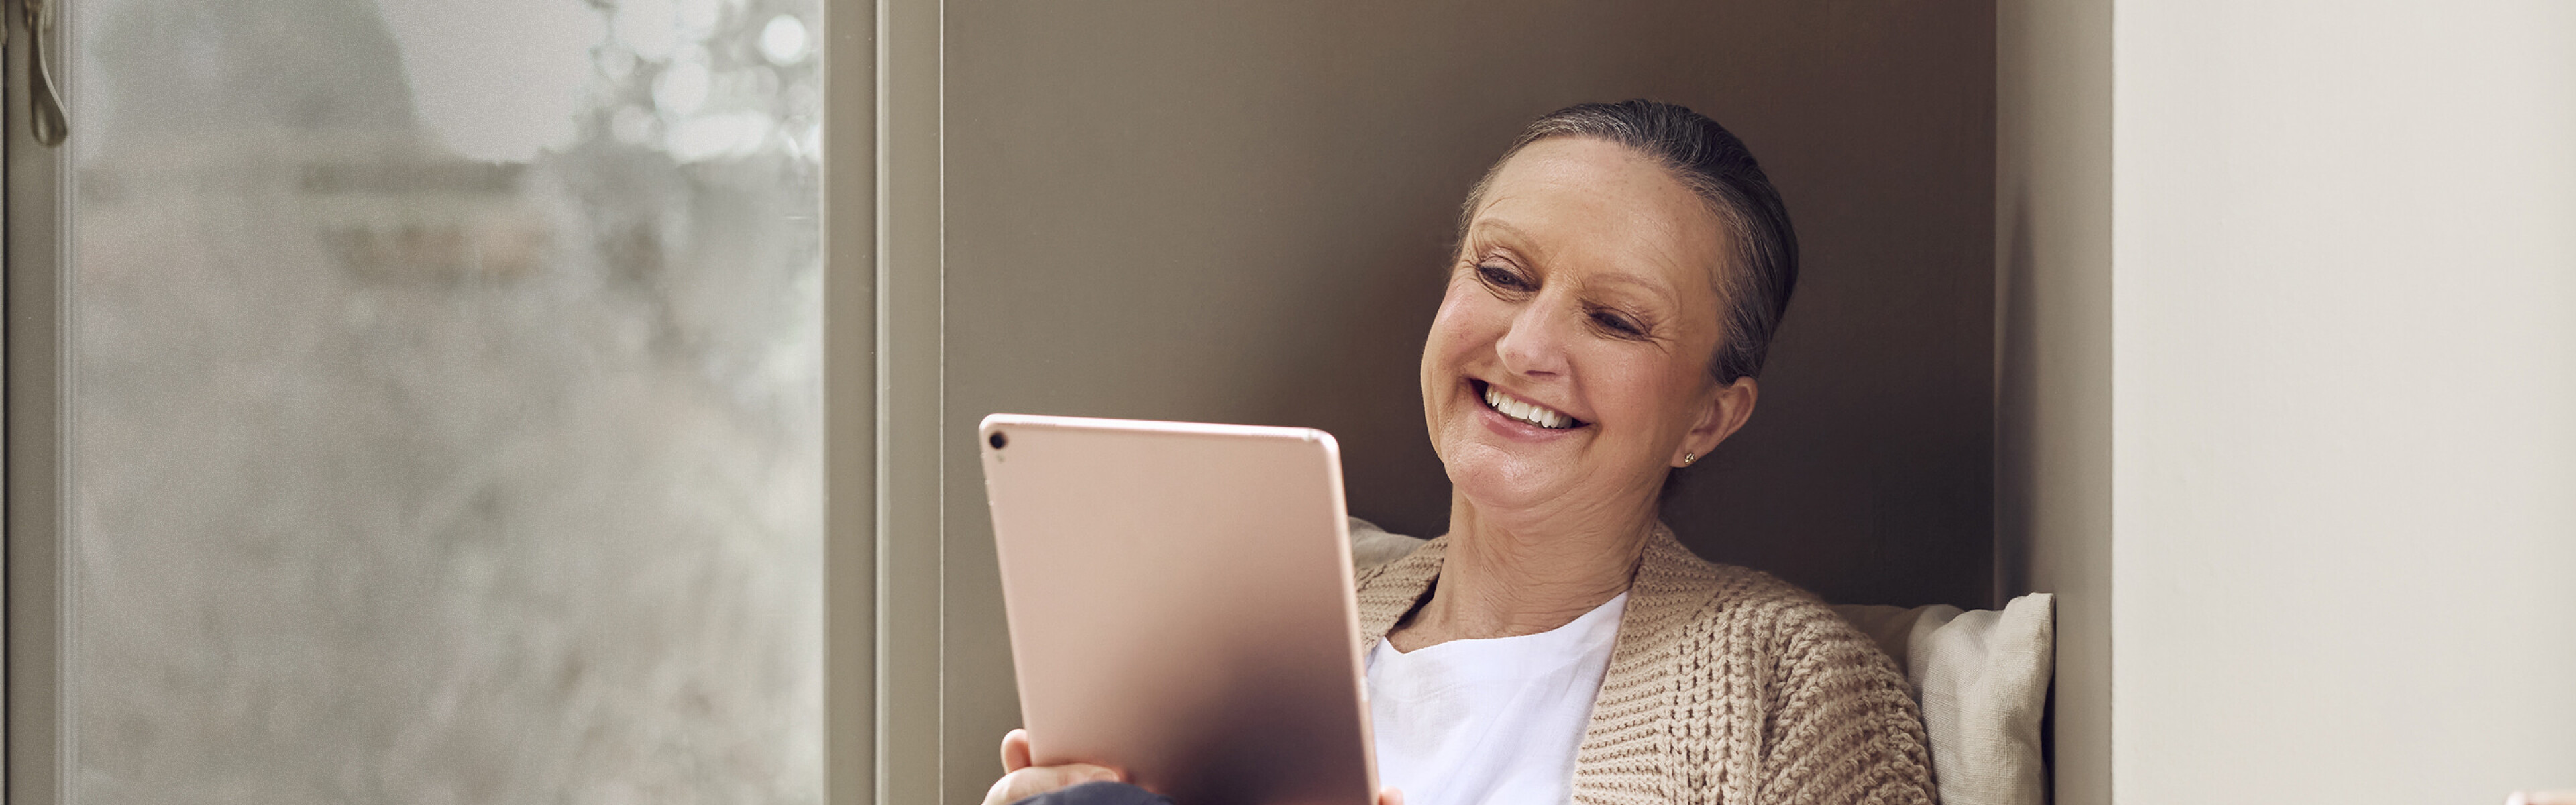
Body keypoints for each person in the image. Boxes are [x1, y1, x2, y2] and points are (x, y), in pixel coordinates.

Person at [985, 100, 1937, 805]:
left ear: (1708, 419)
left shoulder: (1792, 685)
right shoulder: (1242, 636)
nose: (1525, 349)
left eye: (1613, 319)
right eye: (1502, 273)